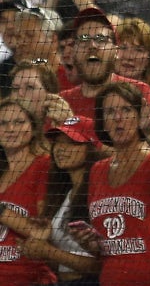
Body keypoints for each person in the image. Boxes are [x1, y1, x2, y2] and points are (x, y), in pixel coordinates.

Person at [75, 82, 150, 285]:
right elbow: (109, 243)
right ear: (103, 122)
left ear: (139, 115)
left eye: (126, 109)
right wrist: (90, 243)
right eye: (110, 111)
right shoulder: (97, 170)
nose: (118, 118)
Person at [17, 116, 104, 285]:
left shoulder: (99, 194)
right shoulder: (63, 194)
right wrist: (40, 245)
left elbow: (101, 265)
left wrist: (48, 251)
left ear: (91, 147)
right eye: (57, 142)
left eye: (71, 142)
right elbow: (64, 265)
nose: (60, 149)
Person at [60, 7, 150, 120]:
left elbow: (148, 137)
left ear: (116, 51)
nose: (92, 46)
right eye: (83, 39)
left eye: (101, 39)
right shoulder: (63, 103)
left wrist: (73, 123)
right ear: (73, 53)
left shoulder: (139, 92)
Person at [0, 99, 56, 285]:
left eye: (19, 122)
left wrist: (1, 212)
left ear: (33, 129)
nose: (10, 129)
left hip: (29, 277)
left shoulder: (44, 165)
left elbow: (43, 229)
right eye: (3, 123)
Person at [8, 60, 74, 129]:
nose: (20, 93)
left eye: (29, 87)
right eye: (15, 88)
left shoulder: (61, 127)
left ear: (50, 94)